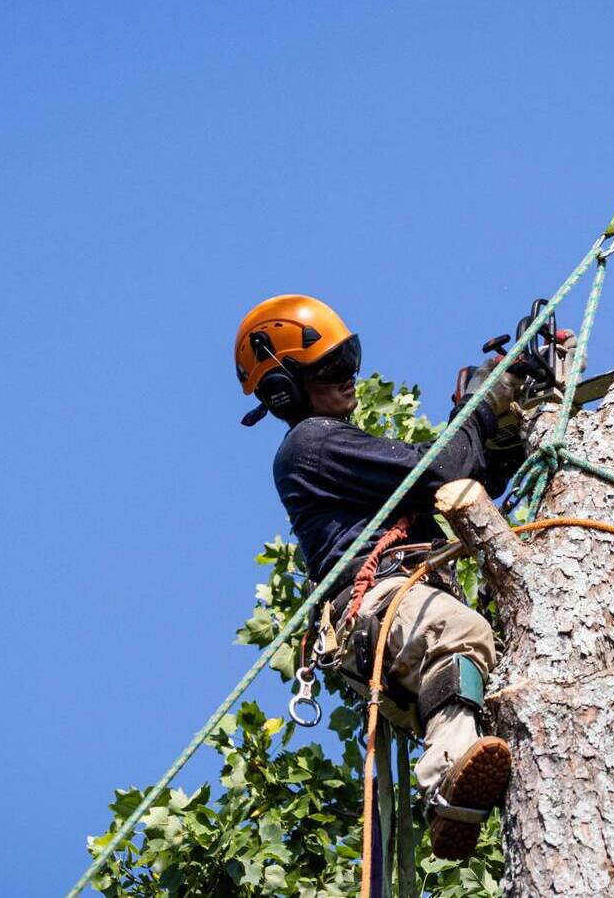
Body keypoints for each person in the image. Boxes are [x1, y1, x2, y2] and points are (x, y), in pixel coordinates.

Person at [234, 293, 528, 860]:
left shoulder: (343, 450)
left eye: (351, 359)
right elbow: (442, 469)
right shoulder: (311, 443)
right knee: (460, 635)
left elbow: (464, 475)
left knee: (519, 691)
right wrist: (479, 407)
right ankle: (445, 784)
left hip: (411, 625)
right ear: (283, 391)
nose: (350, 378)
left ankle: (595, 819)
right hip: (383, 604)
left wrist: (501, 425)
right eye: (331, 369)